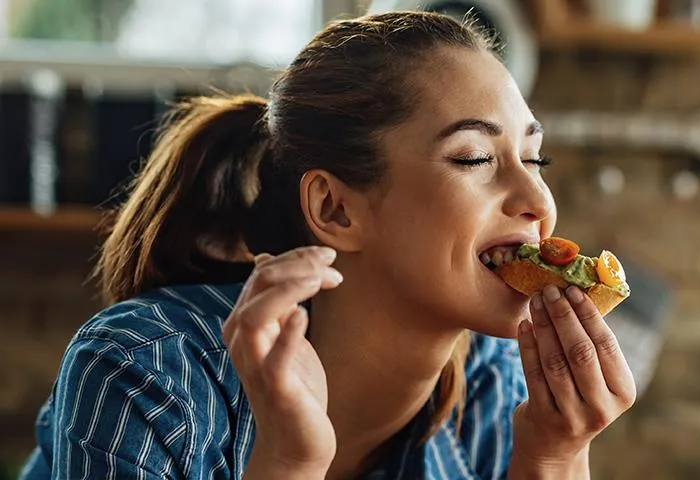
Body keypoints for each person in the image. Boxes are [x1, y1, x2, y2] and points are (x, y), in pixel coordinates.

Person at [19, 11, 636, 479]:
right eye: (474, 157)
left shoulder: (495, 383)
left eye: (535, 156)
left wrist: (555, 457)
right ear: (335, 209)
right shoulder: (148, 371)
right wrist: (289, 462)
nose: (538, 200)